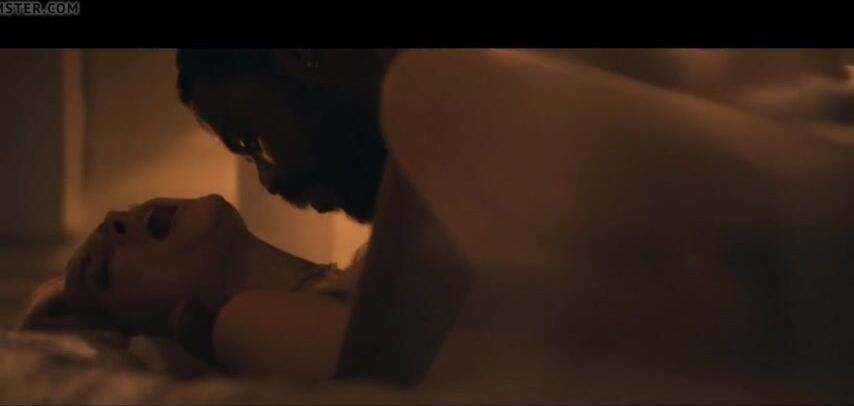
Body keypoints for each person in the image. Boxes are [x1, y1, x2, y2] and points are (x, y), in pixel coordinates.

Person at [18, 194, 359, 385]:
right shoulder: (242, 323)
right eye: (102, 272)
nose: (113, 218)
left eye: (130, 207)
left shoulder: (359, 266)